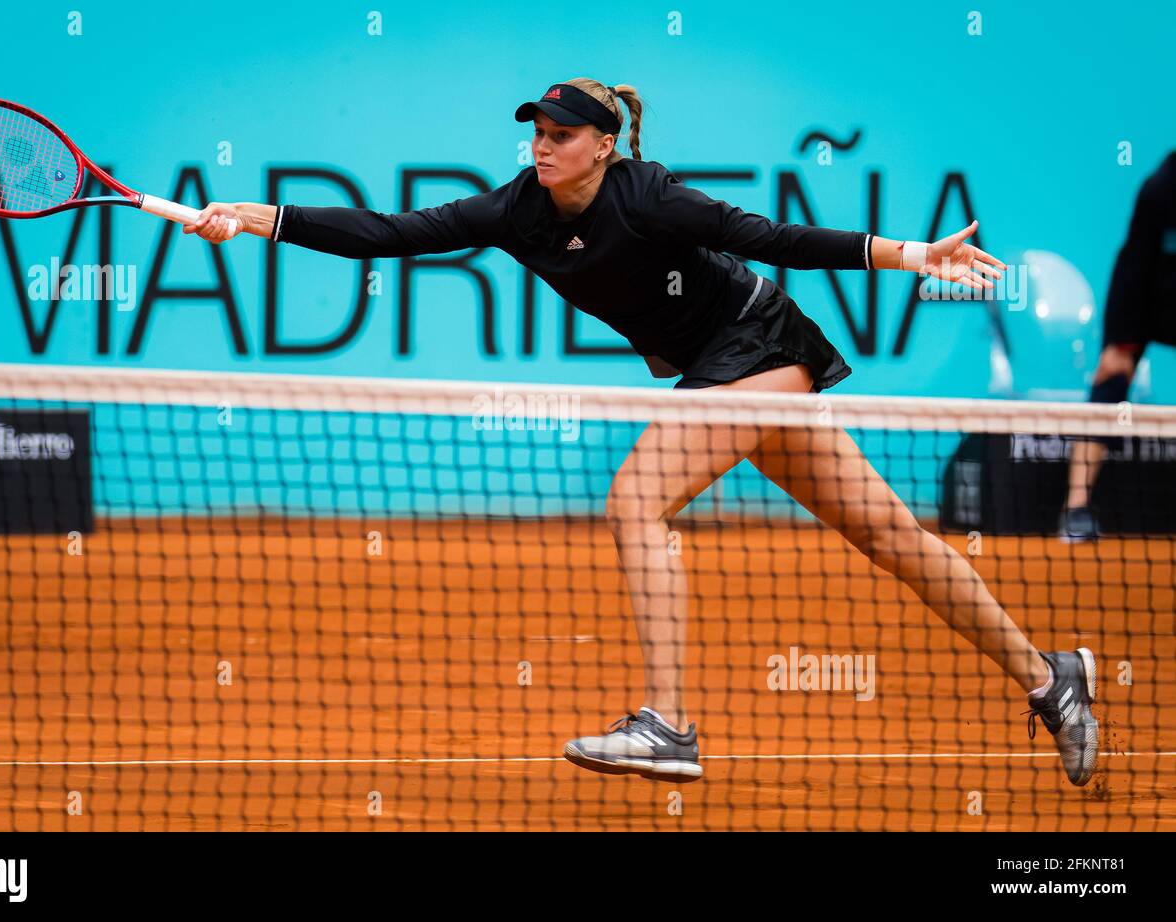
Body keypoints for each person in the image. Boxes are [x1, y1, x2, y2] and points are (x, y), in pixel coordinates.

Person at [184, 78, 1099, 786]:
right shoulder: (517, 208)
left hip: (759, 343)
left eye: (561, 135)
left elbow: (770, 234)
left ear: (604, 147)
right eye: (536, 133)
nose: (541, 147)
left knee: (636, 500)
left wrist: (908, 254)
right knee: (890, 537)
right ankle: (1050, 675)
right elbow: (389, 231)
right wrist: (255, 218)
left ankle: (668, 725)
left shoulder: (648, 195)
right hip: (720, 363)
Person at [1061, 152, 1176, 541]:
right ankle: (1076, 509)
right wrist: (1120, 346)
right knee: (1109, 386)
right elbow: (1133, 268)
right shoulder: (1161, 187)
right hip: (1147, 300)